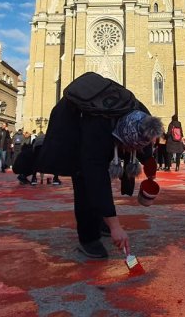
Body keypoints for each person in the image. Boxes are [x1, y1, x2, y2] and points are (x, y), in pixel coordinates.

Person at [36, 72, 160, 259]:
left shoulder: (140, 114)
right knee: (84, 180)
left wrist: (150, 173)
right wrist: (116, 226)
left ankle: (102, 219)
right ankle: (88, 239)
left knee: (96, 180)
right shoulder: (98, 130)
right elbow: (96, 177)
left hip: (102, 125)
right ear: (119, 138)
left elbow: (144, 144)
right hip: (72, 129)